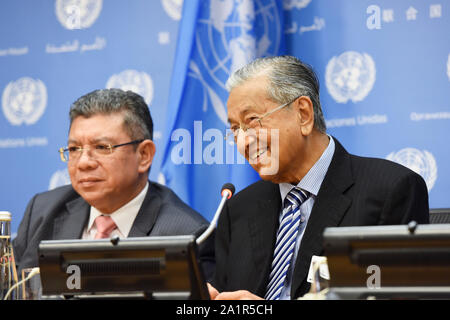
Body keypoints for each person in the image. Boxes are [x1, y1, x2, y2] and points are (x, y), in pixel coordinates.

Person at [208, 55, 429, 300]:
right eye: (235, 130)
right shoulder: (238, 209)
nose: (242, 142)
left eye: (252, 122)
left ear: (303, 114)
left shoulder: (391, 190)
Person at [13, 88, 215, 280]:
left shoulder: (187, 236)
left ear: (144, 155)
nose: (83, 162)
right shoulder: (42, 212)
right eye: (74, 149)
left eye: (102, 147)